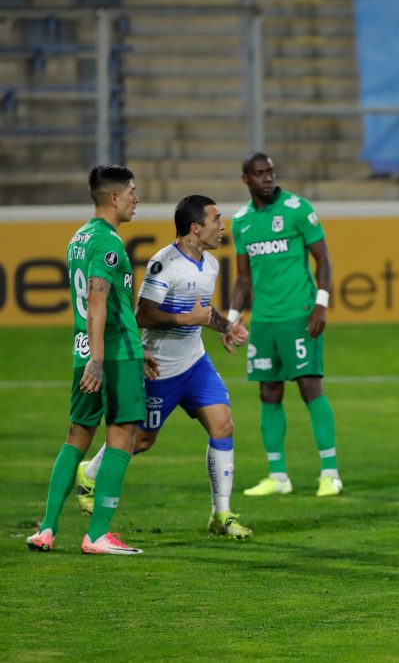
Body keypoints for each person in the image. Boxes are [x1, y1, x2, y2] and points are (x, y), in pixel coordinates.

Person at [77, 195, 252, 538]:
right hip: (160, 369)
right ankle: (90, 473)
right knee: (140, 440)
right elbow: (143, 313)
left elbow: (203, 311)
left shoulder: (210, 264)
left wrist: (225, 328)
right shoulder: (165, 264)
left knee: (223, 425)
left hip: (195, 363)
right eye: (216, 220)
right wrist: (189, 318)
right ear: (195, 228)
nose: (222, 226)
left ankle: (222, 514)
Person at [27, 165, 154, 555]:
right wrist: (103, 359)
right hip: (111, 356)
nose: (137, 198)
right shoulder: (110, 245)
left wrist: (96, 355)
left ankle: (46, 528)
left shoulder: (78, 239)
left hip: (84, 351)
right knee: (123, 437)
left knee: (76, 437)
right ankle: (97, 534)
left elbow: (104, 304)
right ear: (114, 198)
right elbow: (97, 301)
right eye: (132, 191)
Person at [226, 152, 342, 497]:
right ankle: (278, 476)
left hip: (299, 313)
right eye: (259, 174)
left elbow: (323, 259)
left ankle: (330, 473)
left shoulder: (297, 209)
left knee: (309, 387)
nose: (267, 178)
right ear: (246, 179)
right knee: (268, 391)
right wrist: (232, 319)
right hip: (264, 319)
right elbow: (243, 278)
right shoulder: (241, 221)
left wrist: (321, 305)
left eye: (270, 172)